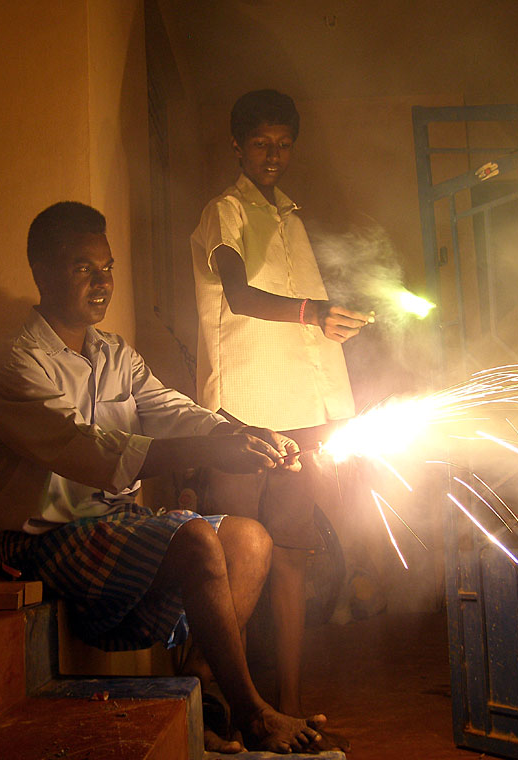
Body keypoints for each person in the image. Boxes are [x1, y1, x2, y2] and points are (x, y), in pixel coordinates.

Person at [0, 200, 345, 756]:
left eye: (108, 267)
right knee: (194, 537)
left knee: (250, 539)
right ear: (43, 273)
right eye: (84, 268)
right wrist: (214, 448)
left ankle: (197, 698)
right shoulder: (14, 362)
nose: (103, 283)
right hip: (41, 543)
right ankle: (253, 716)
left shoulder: (114, 355)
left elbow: (174, 410)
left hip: (112, 528)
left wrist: (247, 434)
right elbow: (88, 451)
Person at [191, 89, 374, 718]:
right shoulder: (224, 212)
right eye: (261, 143)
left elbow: (308, 328)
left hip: (299, 414)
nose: (273, 154)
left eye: (284, 143)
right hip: (242, 413)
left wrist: (330, 327)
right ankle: (235, 711)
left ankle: (289, 707)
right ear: (237, 146)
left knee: (293, 559)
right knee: (234, 561)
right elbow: (238, 295)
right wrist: (314, 312)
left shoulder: (292, 220)